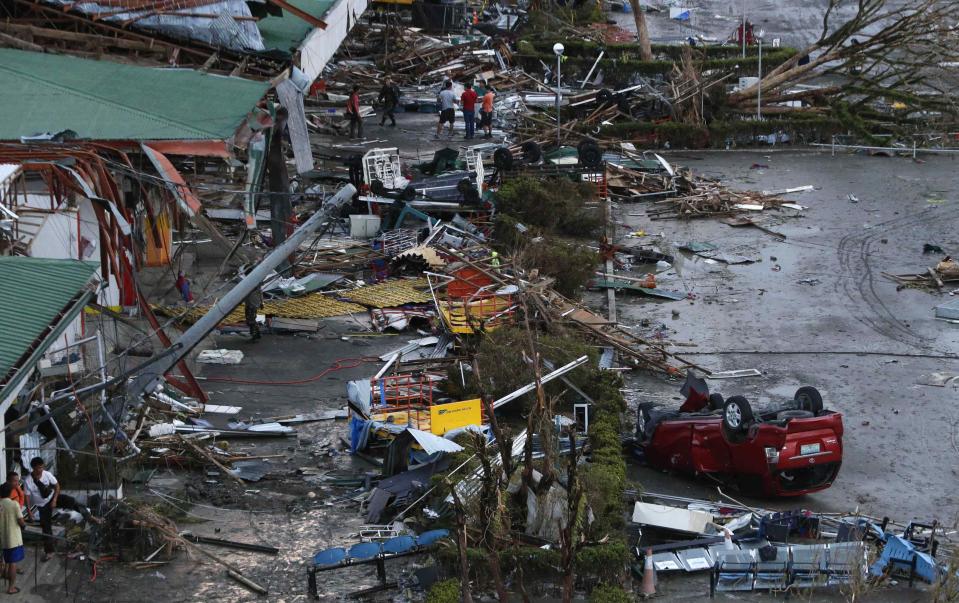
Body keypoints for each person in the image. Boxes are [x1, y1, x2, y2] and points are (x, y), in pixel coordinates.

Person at [24, 457, 97, 561]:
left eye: (41, 467)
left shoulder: (47, 474)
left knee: (71, 501)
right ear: (33, 468)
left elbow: (57, 486)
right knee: (46, 527)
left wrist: (54, 500)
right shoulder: (28, 481)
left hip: (52, 497)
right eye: (38, 468)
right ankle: (49, 551)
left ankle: (89, 516)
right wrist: (29, 512)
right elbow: (26, 497)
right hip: (42, 506)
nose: (40, 469)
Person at [0, 483, 24, 595]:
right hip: (12, 539)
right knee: (12, 562)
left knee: (5, 560)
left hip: (2, 537)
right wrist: (24, 526)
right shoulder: (14, 504)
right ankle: (11, 587)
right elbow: (20, 521)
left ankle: (4, 574)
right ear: (11, 492)